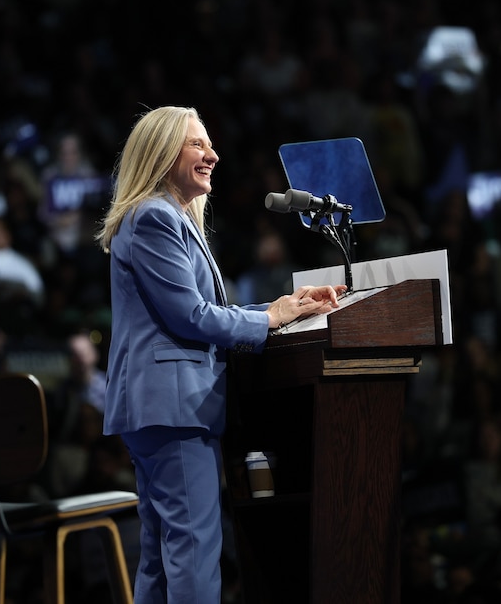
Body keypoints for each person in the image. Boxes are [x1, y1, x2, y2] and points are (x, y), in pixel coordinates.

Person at [94, 105, 346, 603]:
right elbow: (190, 317)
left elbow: (201, 310)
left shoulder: (165, 216)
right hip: (173, 406)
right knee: (192, 552)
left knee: (162, 559)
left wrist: (280, 307)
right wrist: (269, 321)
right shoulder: (153, 218)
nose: (213, 154)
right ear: (162, 153)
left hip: (161, 407)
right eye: (197, 144)